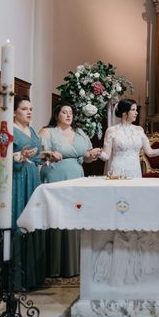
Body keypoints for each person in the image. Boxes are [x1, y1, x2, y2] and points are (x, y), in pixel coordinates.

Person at [39, 101, 101, 277]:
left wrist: (91, 155)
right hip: (55, 177)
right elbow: (38, 155)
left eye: (71, 113)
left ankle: (76, 263)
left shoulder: (80, 133)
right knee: (58, 216)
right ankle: (55, 264)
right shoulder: (47, 132)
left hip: (77, 178)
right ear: (57, 114)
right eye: (64, 112)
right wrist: (49, 154)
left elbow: (86, 158)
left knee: (75, 216)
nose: (68, 115)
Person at [0, 95, 46, 290]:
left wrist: (46, 157)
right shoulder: (5, 131)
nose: (29, 112)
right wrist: (17, 156)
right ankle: (13, 279)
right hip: (16, 181)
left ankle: (32, 276)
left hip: (32, 179)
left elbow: (36, 157)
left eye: (31, 108)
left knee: (32, 223)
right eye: (24, 109)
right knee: (16, 223)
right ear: (14, 111)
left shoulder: (32, 130)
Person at [96, 99, 159, 178]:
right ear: (124, 112)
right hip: (117, 170)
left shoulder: (139, 130)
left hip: (135, 171)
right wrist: (98, 153)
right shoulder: (111, 131)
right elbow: (106, 156)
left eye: (136, 110)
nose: (136, 113)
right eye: (133, 110)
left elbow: (150, 153)